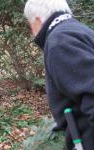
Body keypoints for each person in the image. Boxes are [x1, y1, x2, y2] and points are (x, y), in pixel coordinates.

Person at [24, 0, 94, 149]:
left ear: (37, 19)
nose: (31, 30)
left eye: (30, 24)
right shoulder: (80, 30)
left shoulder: (61, 41)